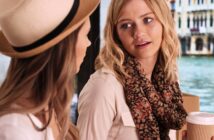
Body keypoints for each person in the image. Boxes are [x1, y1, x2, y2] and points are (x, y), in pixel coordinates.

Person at [77, 0, 187, 139]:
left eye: (147, 20)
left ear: (164, 22)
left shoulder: (169, 80)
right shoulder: (103, 87)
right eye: (126, 25)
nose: (138, 33)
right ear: (116, 33)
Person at [0, 0, 100, 139]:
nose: (88, 43)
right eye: (85, 34)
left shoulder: (48, 109)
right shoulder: (14, 129)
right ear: (65, 48)